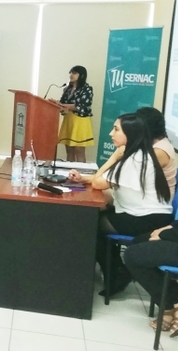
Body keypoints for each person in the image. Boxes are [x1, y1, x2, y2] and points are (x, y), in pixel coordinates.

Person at [69, 114, 173, 296]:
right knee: (94, 218)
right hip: (147, 214)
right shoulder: (140, 154)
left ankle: (117, 272)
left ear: (130, 134)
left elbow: (98, 182)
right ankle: (116, 270)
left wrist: (114, 156)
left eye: (116, 129)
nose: (111, 133)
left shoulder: (136, 159)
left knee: (90, 224)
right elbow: (100, 180)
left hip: (148, 219)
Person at [51, 65, 95, 162]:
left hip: (80, 122)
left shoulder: (87, 89)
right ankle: (69, 174)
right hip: (69, 120)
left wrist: (63, 105)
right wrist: (55, 104)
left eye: (74, 73)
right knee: (69, 150)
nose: (71, 75)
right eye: (70, 73)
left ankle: (81, 174)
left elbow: (82, 105)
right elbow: (63, 103)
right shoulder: (67, 89)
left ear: (82, 75)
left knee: (79, 150)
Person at [136, 107, 177, 197]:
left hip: (157, 201)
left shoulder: (160, 151)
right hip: (147, 194)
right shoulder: (155, 141)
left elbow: (134, 175)